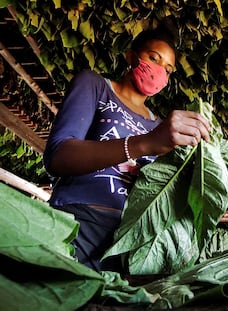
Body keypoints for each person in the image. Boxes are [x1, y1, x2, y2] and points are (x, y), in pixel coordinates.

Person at [43, 23, 211, 273]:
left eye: (168, 69)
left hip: (129, 243)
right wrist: (144, 143)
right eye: (153, 58)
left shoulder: (158, 125)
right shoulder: (96, 86)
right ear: (131, 56)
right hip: (77, 223)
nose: (159, 72)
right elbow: (58, 155)